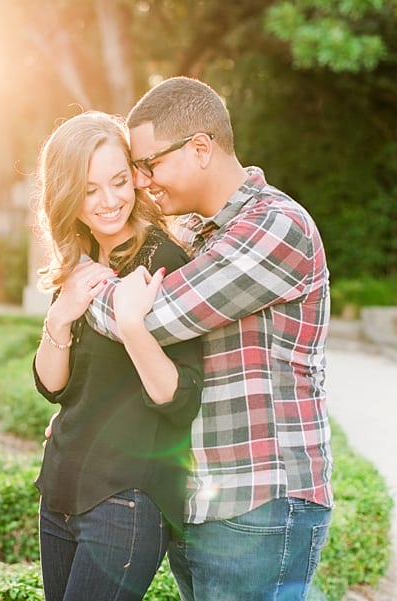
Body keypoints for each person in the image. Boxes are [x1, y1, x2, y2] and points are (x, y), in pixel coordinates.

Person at [78, 77, 335, 600]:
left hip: (261, 501)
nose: (144, 181)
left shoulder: (276, 226)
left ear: (200, 148)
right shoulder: (196, 235)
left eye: (150, 164)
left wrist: (78, 288)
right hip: (204, 500)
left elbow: (157, 318)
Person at [32, 110, 203, 601]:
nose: (109, 201)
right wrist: (61, 316)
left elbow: (180, 397)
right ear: (67, 195)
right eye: (89, 190)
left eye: (118, 181)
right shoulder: (79, 261)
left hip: (126, 498)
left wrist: (132, 326)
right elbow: (54, 386)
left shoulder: (163, 263)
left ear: (135, 178)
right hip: (61, 486)